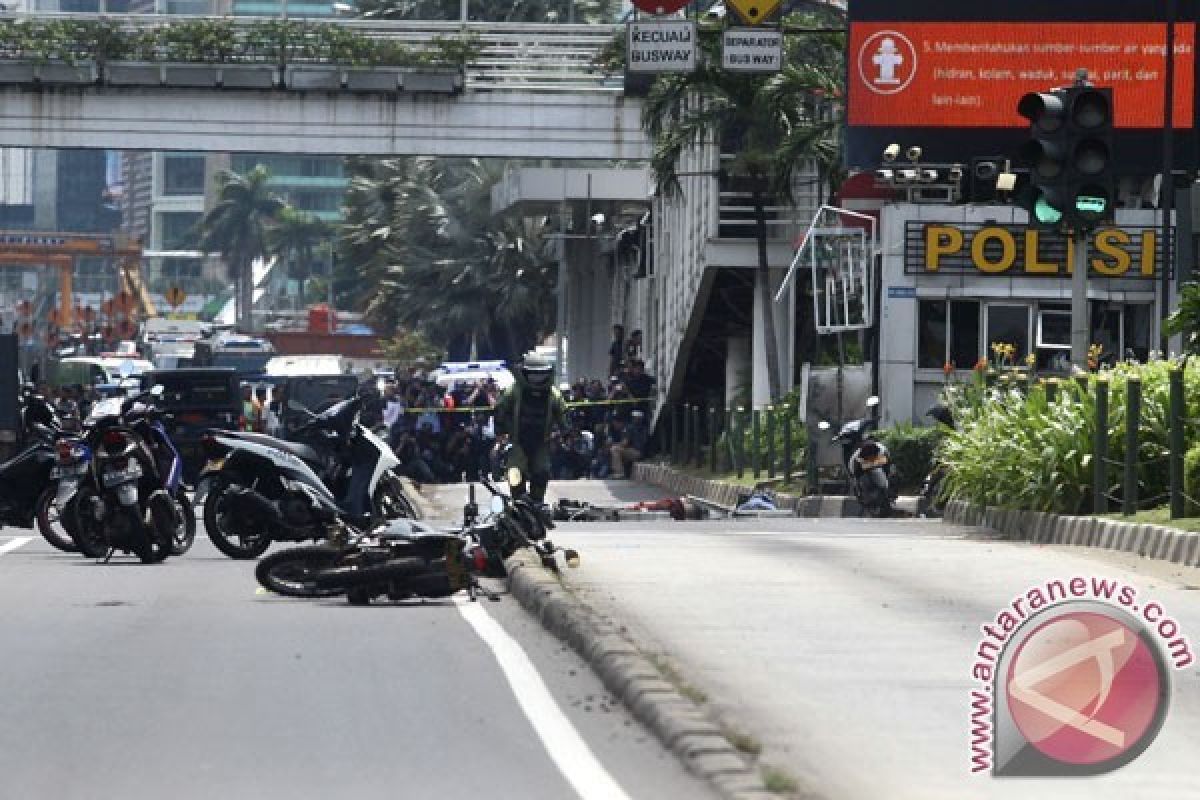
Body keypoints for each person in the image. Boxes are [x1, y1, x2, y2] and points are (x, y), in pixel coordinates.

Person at [493, 358, 567, 504]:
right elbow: (500, 408)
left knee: (542, 473)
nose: (537, 378)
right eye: (533, 374)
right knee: (515, 472)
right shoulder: (514, 390)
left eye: (541, 374)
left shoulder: (553, 394)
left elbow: (563, 414)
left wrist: (564, 431)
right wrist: (501, 429)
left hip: (542, 442)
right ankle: (518, 500)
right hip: (517, 441)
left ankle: (537, 502)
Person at [609, 410, 648, 479]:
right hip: (642, 452)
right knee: (619, 452)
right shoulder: (645, 428)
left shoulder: (630, 427)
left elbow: (625, 443)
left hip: (635, 452)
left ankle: (619, 473)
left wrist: (616, 445)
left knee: (614, 449)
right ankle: (626, 473)